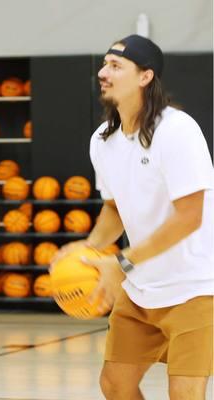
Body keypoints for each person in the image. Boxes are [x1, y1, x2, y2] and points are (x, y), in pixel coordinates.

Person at [52, 34, 214, 400]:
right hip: (141, 289)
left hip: (195, 288)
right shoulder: (102, 140)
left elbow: (190, 217)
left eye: (115, 66)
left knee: (186, 393)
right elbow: (115, 208)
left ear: (145, 76)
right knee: (115, 384)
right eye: (104, 64)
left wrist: (121, 263)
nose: (102, 72)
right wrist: (88, 249)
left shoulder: (177, 130)